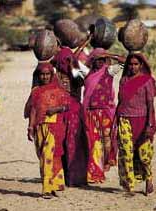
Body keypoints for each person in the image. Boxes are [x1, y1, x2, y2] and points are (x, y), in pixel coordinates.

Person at [115, 53, 156, 196]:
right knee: (126, 153)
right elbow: (120, 101)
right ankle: (130, 186)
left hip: (142, 120)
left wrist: (150, 125)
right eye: (130, 64)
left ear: (141, 65)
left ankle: (149, 179)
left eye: (136, 64)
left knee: (144, 154)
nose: (133, 67)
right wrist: (116, 120)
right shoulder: (124, 80)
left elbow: (150, 104)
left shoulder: (146, 81)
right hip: (125, 119)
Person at [27, 62, 70, 199]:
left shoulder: (59, 90)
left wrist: (55, 109)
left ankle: (46, 188)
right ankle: (52, 186)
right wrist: (30, 127)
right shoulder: (35, 91)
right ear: (38, 76)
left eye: (47, 74)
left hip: (54, 126)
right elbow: (33, 110)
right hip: (39, 126)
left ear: (52, 75)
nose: (45, 77)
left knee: (48, 155)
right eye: (42, 74)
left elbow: (66, 106)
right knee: (42, 157)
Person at [83, 48, 125, 183]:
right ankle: (95, 173)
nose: (100, 63)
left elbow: (125, 61)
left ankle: (106, 162)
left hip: (106, 112)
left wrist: (109, 54)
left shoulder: (109, 71)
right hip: (91, 113)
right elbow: (74, 62)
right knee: (94, 143)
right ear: (93, 61)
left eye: (102, 60)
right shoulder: (87, 74)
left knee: (107, 141)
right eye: (97, 60)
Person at [51, 43, 88, 187]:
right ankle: (72, 178)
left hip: (62, 109)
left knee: (64, 143)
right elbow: (80, 81)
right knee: (71, 143)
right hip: (69, 109)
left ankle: (64, 177)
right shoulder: (67, 67)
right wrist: (73, 65)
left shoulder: (54, 68)